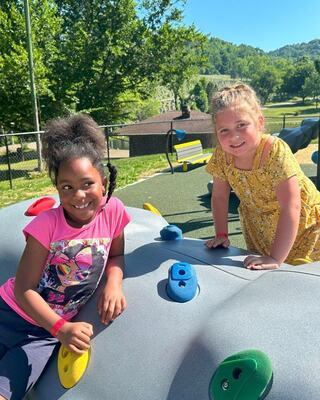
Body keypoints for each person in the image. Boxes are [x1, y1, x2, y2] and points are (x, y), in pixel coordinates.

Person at [0, 114, 131, 399]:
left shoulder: (114, 212)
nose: (78, 195)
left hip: (40, 338)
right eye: (67, 187)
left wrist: (114, 283)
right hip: (9, 313)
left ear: (104, 182)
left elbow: (116, 254)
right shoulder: (46, 225)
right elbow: (24, 290)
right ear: (57, 188)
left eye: (87, 184)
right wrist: (62, 328)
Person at [205, 83, 320, 270]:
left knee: (305, 275)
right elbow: (219, 196)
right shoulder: (222, 155)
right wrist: (221, 234)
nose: (233, 136)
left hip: (303, 226)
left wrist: (275, 257)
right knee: (269, 278)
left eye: (241, 125)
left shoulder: (274, 150)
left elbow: (291, 205)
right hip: (260, 226)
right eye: (224, 130)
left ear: (259, 122)